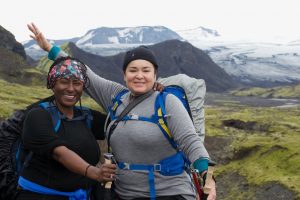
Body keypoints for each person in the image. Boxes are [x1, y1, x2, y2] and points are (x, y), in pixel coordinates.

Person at [28, 23, 216, 200]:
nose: (139, 75)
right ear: (124, 75)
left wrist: (208, 176)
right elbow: (85, 73)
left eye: (146, 70)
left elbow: (190, 142)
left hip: (169, 193)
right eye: (133, 70)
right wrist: (49, 49)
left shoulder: (167, 101)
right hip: (123, 194)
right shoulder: (116, 96)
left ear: (155, 75)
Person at [16, 56, 117, 200]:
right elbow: (59, 153)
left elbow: (122, 125)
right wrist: (94, 173)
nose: (71, 89)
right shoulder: (38, 116)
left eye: (77, 83)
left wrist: (153, 92)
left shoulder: (86, 116)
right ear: (52, 84)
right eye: (63, 82)